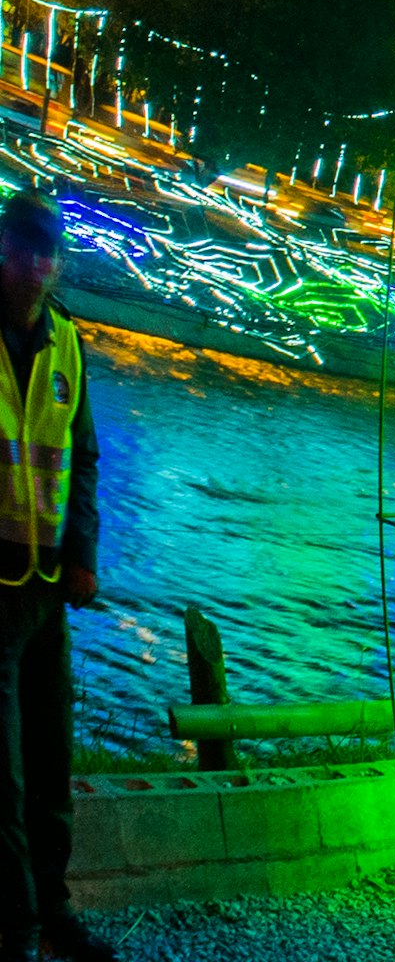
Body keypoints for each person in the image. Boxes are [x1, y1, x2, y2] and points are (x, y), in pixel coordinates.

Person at [0, 195, 107, 962]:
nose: (38, 267)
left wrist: (84, 556)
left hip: (46, 590)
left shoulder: (68, 344)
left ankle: (53, 902)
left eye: (49, 254)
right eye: (25, 251)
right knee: (0, 772)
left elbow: (85, 457)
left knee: (50, 757)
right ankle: (20, 920)